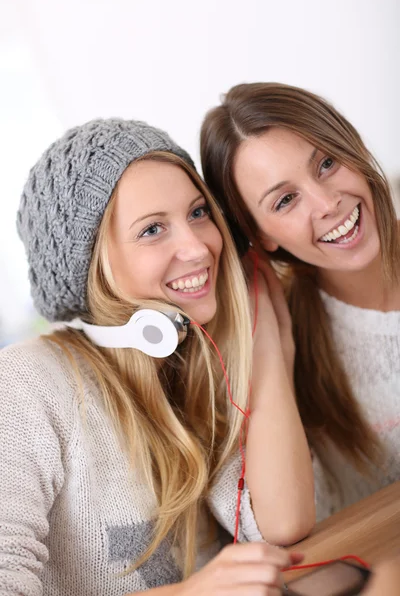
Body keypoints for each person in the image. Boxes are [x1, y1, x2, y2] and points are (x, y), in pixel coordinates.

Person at [0, 118, 313, 595]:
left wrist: (268, 343)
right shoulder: (26, 383)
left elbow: (280, 525)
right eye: (152, 230)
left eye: (198, 213)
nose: (197, 246)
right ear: (92, 266)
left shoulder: (195, 361)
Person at [200, 82, 400, 520]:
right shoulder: (292, 343)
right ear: (261, 236)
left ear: (354, 145)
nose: (327, 203)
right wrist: (271, 347)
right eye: (286, 200)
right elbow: (288, 527)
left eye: (327, 163)